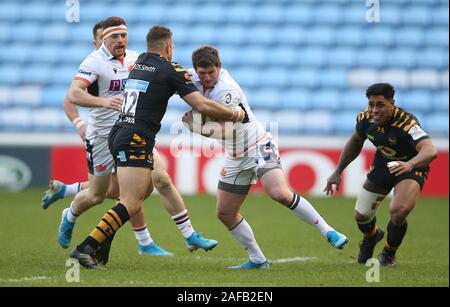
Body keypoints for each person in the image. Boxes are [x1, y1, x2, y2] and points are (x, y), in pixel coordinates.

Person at [69, 25, 247, 269]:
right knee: (131, 201)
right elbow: (202, 105)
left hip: (119, 132)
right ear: (168, 46)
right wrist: (234, 113)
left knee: (135, 195)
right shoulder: (170, 69)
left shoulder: (139, 61)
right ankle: (85, 248)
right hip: (135, 137)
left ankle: (101, 248)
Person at [42, 19, 217, 259]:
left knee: (158, 181)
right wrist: (88, 117)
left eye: (124, 35)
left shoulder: (138, 59)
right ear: (102, 39)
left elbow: (167, 76)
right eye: (114, 36)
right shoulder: (94, 62)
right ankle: (71, 214)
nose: (121, 40)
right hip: (102, 136)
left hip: (131, 132)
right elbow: (72, 95)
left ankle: (184, 235)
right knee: (99, 194)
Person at [182, 45, 348, 269]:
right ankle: (258, 259)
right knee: (225, 212)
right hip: (235, 155)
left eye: (211, 72)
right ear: (195, 71)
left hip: (258, 144)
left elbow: (226, 130)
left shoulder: (226, 91)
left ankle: (328, 230)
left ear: (219, 67)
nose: (207, 77)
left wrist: (195, 127)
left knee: (279, 192)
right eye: (202, 73)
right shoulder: (192, 78)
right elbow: (172, 80)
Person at [324, 83, 437, 267]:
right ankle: (372, 236)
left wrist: (410, 164)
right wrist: (338, 171)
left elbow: (430, 150)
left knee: (398, 211)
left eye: (380, 104)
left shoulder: (407, 123)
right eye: (371, 104)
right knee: (361, 215)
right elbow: (355, 141)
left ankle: (389, 253)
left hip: (412, 165)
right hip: (383, 164)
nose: (374, 110)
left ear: (392, 103)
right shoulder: (365, 118)